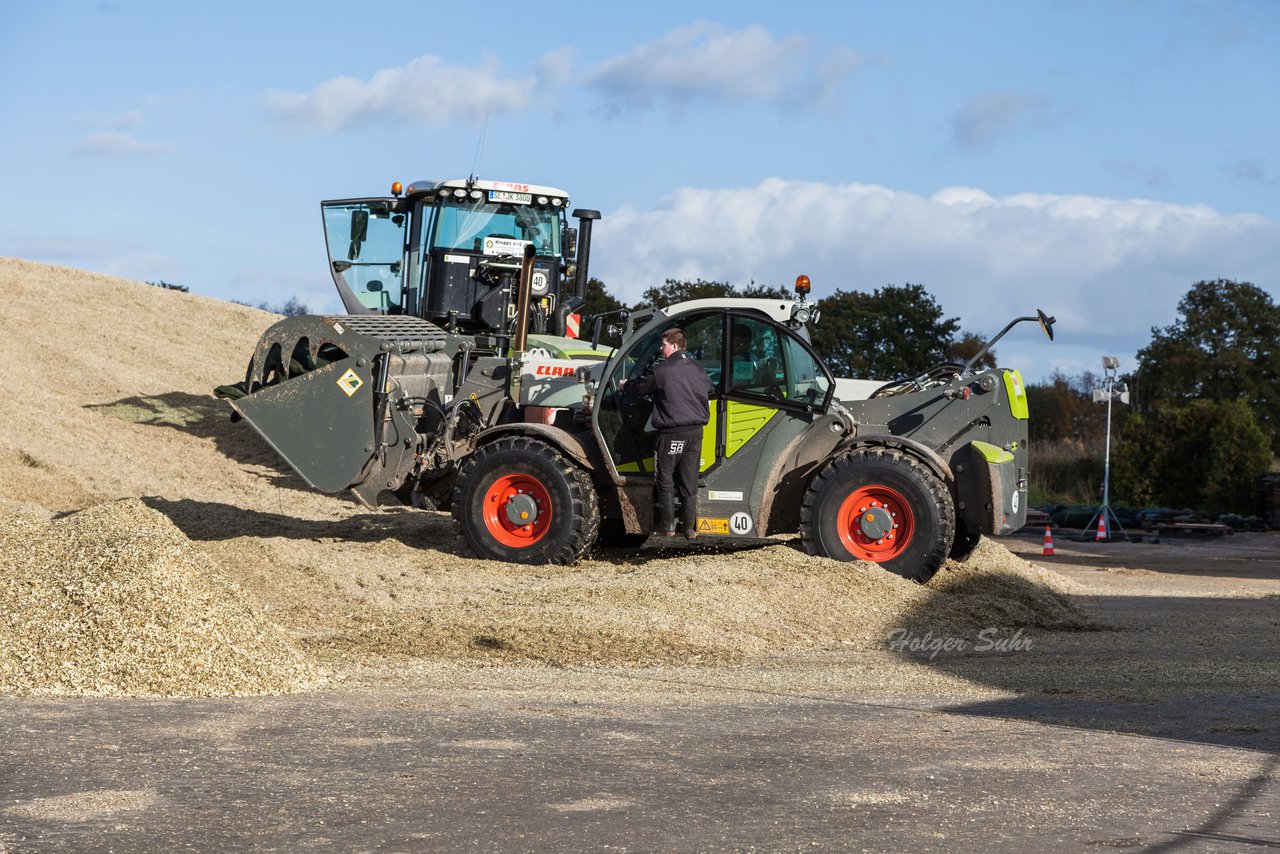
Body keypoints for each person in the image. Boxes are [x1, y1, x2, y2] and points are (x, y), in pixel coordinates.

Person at [622, 328, 713, 539]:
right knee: (689, 478)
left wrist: (626, 386)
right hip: (695, 432)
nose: (661, 350)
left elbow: (640, 388)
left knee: (665, 478)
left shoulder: (662, 370)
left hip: (671, 433)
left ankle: (668, 527)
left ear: (673, 345)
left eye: (663, 346)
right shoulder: (698, 369)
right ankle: (689, 529)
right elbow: (710, 390)